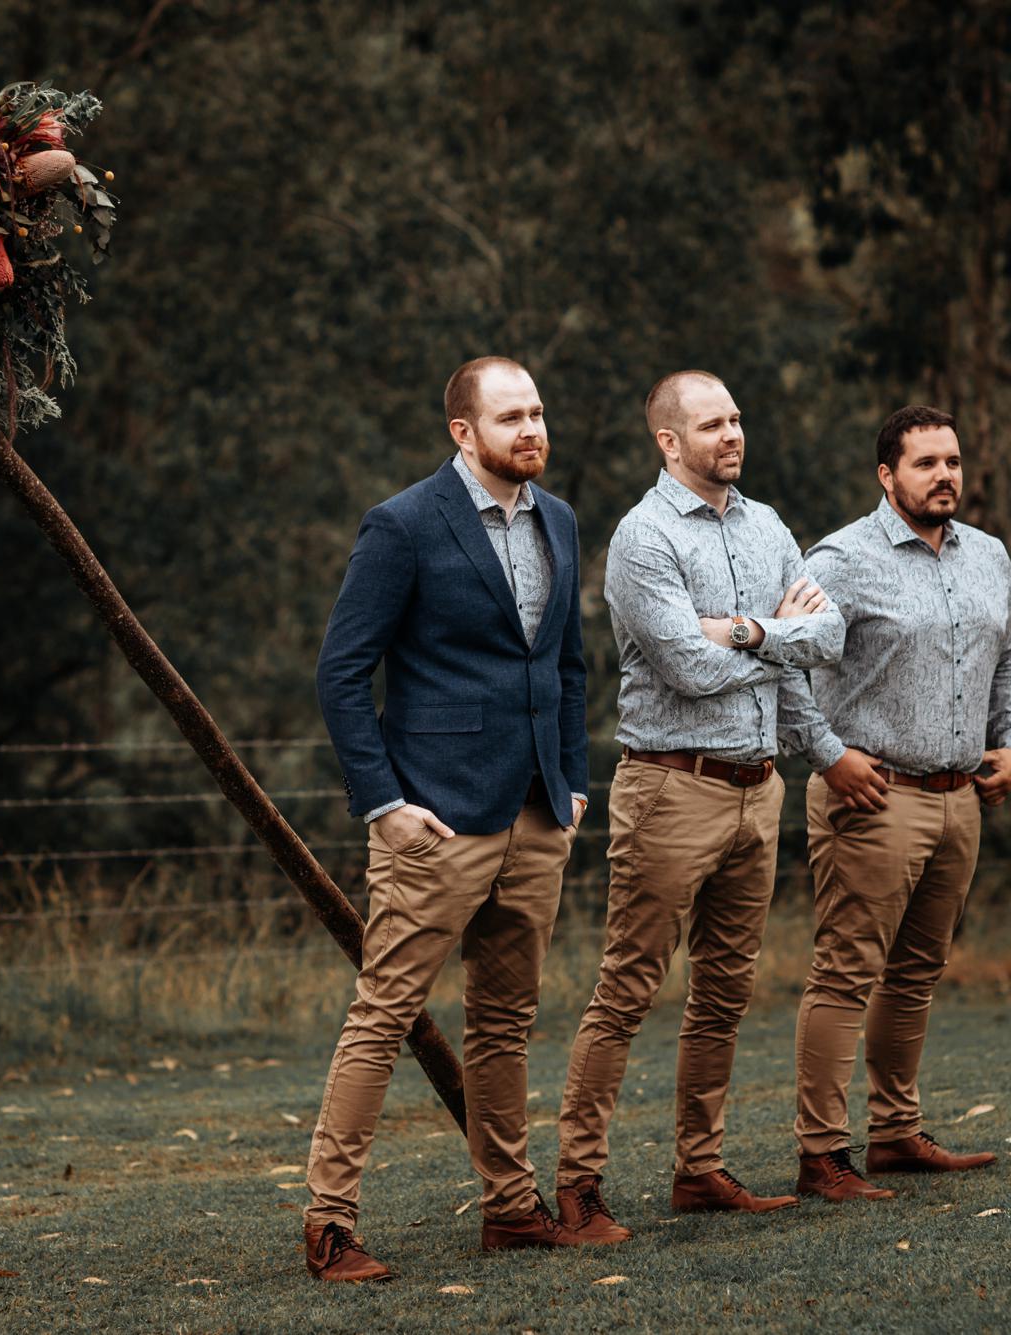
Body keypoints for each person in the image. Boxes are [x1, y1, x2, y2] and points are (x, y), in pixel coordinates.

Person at [304, 356, 593, 1281]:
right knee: (383, 1015)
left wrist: (575, 780)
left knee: (504, 1023)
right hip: (437, 820)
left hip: (539, 813)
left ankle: (511, 1209)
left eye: (538, 412)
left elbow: (570, 666)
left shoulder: (560, 519)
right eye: (511, 417)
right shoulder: (402, 524)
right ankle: (330, 1222)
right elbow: (342, 672)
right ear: (463, 432)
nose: (532, 430)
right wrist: (384, 804)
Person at [554, 369, 843, 1242]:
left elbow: (827, 636)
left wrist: (749, 630)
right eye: (713, 424)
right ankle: (577, 1186)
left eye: (737, 420)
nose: (733, 434)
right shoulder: (643, 539)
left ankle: (700, 1169)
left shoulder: (768, 526)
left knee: (725, 991)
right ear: (669, 442)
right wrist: (775, 639)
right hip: (671, 787)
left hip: (759, 791)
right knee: (628, 987)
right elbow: (687, 666)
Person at [781, 404, 1011, 1202]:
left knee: (917, 971)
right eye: (926, 464)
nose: (945, 476)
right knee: (846, 971)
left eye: (953, 461)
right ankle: (822, 1154)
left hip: (962, 798)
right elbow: (785, 662)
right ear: (887, 475)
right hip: (874, 796)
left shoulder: (989, 556)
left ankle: (895, 1132)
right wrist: (829, 755)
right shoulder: (843, 558)